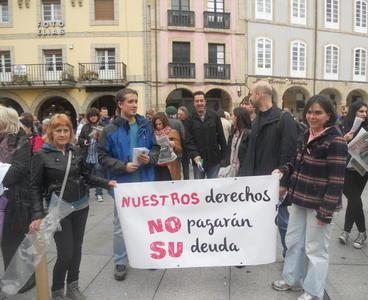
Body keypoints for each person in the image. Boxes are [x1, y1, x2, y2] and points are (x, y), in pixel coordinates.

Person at [29, 114, 116, 300]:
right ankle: (57, 290)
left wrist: (107, 183)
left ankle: (73, 286)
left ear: (70, 132)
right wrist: (37, 214)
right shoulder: (41, 155)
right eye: (58, 130)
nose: (62, 134)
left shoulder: (75, 151)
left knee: (77, 250)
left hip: (81, 207)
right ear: (50, 132)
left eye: (65, 130)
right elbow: (34, 187)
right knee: (65, 253)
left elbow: (87, 176)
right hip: (58, 211)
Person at [272, 95, 347, 300]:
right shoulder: (306, 134)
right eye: (309, 112)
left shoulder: (335, 140)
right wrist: (283, 170)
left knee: (316, 249)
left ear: (328, 115)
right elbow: (296, 162)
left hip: (319, 204)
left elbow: (337, 180)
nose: (312, 116)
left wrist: (326, 211)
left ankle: (314, 292)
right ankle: (291, 278)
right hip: (299, 198)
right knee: (294, 240)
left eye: (318, 112)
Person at [98, 88, 159, 281]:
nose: (134, 105)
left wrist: (149, 158)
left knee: (146, 222)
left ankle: (147, 256)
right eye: (130, 101)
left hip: (144, 182)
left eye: (136, 101)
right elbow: (102, 157)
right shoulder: (109, 129)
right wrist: (124, 166)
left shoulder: (146, 125)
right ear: (120, 104)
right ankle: (120, 261)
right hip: (122, 185)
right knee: (120, 225)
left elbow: (156, 148)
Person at [239, 80, 297, 258]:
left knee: (282, 221)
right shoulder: (257, 119)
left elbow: (289, 153)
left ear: (260, 95)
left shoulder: (283, 119)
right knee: (255, 219)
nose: (249, 97)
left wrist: (283, 183)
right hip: (256, 182)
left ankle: (290, 257)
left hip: (273, 182)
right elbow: (251, 153)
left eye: (251, 94)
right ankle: (253, 252)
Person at [0, 106, 35, 294]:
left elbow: (18, 170)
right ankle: (13, 276)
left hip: (17, 199)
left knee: (15, 240)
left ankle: (24, 278)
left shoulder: (20, 140)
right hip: (3, 197)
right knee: (7, 241)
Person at [338, 100, 368, 248]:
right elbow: (334, 145)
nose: (364, 114)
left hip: (362, 171)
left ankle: (346, 231)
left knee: (353, 201)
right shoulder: (343, 125)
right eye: (361, 111)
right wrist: (344, 139)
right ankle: (362, 232)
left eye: (365, 112)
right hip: (345, 169)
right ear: (353, 112)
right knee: (355, 199)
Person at [184, 91, 226, 179]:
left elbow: (221, 137)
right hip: (199, 161)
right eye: (197, 101)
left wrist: (224, 157)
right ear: (194, 103)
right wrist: (195, 155)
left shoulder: (214, 116)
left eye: (201, 100)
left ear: (205, 101)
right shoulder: (189, 119)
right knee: (200, 187)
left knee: (214, 187)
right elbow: (188, 140)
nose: (199, 103)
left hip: (214, 159)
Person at [78, 107, 105, 202]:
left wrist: (98, 138)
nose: (93, 118)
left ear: (98, 116)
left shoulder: (103, 126)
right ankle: (86, 194)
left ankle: (99, 194)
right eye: (91, 116)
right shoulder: (85, 127)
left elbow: (107, 141)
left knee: (98, 176)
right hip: (87, 155)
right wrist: (84, 141)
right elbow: (80, 139)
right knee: (86, 176)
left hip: (98, 156)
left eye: (94, 116)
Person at [152, 112, 182, 181]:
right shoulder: (152, 134)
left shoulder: (173, 132)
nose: (158, 126)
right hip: (156, 165)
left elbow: (179, 149)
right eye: (156, 124)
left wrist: (174, 145)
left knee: (169, 187)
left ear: (164, 122)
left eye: (160, 124)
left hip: (169, 165)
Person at [222, 107, 252, 176]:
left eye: (233, 115)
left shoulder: (248, 134)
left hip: (243, 171)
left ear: (238, 117)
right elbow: (229, 150)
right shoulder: (233, 133)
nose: (231, 117)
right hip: (231, 168)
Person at [177, 106, 190, 180]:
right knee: (177, 167)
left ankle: (186, 181)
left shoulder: (188, 123)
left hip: (186, 149)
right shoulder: (177, 122)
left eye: (181, 114)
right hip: (178, 148)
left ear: (185, 114)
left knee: (186, 167)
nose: (179, 116)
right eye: (178, 114)